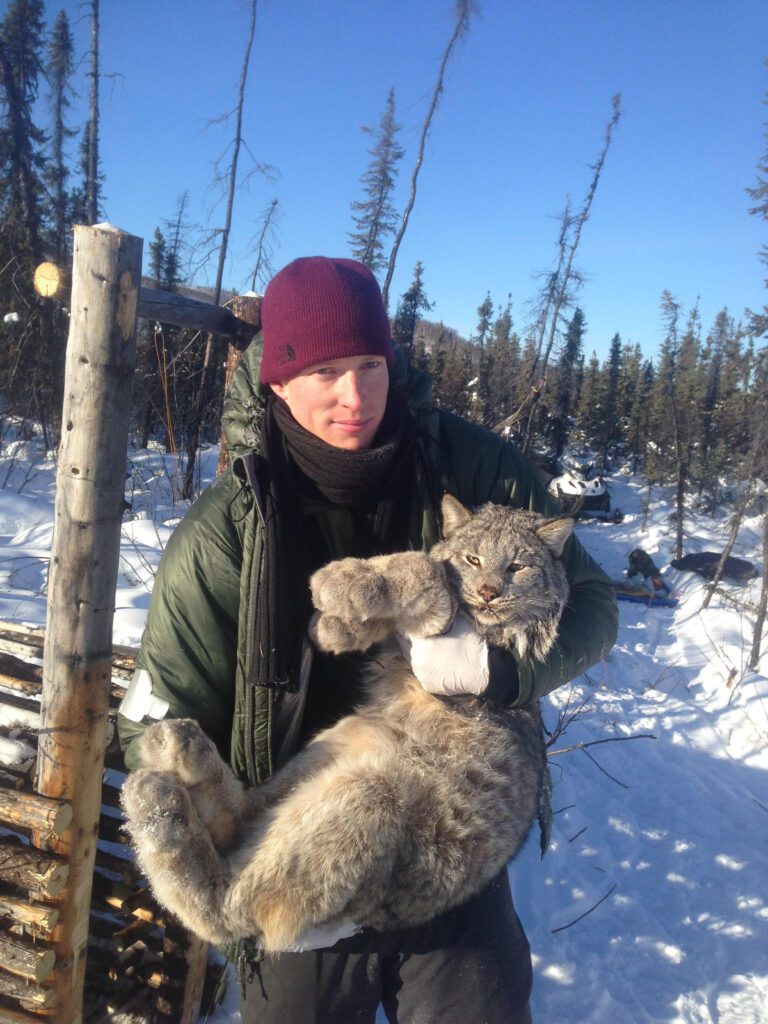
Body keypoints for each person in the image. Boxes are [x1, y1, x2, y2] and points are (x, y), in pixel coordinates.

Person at [118, 256, 618, 1024]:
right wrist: (210, 805)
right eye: (324, 373)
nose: (355, 396)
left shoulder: (472, 463)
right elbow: (160, 710)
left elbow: (590, 605)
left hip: (453, 822)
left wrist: (503, 675)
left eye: (369, 366)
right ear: (277, 382)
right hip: (302, 815)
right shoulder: (221, 532)